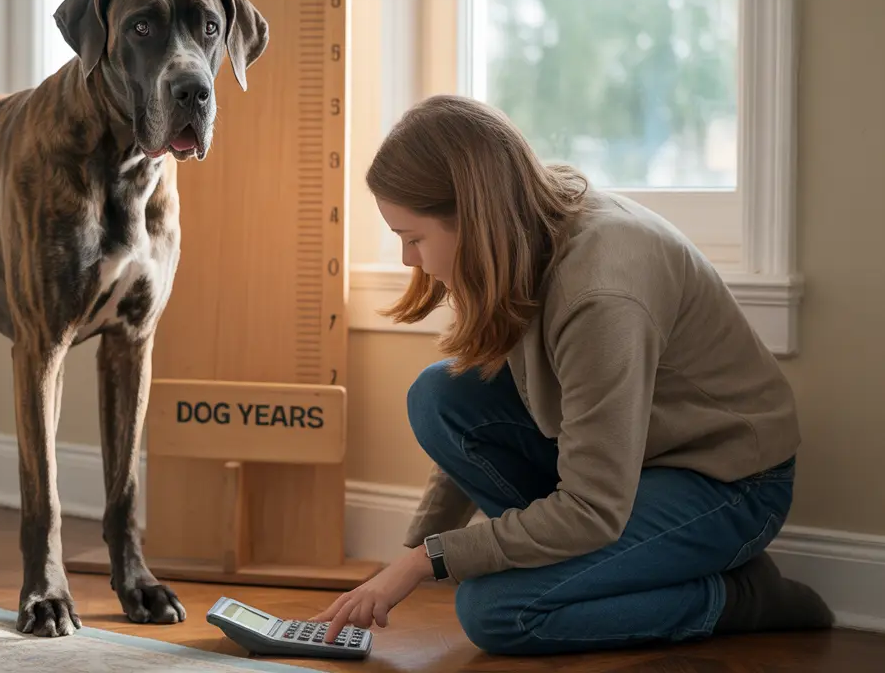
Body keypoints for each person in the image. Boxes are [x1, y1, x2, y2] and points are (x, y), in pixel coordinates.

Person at [310, 95, 833, 655]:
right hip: (623, 469)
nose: (410, 261)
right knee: (439, 395)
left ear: (475, 218)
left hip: (728, 484)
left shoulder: (600, 295)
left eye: (414, 238)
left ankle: (739, 596)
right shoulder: (525, 222)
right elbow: (488, 440)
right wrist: (406, 560)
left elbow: (592, 507)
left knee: (497, 611)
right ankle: (606, 564)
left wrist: (429, 561)